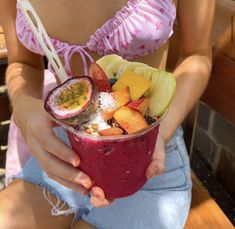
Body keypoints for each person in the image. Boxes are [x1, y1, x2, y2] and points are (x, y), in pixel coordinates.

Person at [0, 0, 215, 228]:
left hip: (149, 157)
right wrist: (23, 104)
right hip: (67, 152)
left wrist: (160, 133)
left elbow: (196, 54)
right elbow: (24, 63)